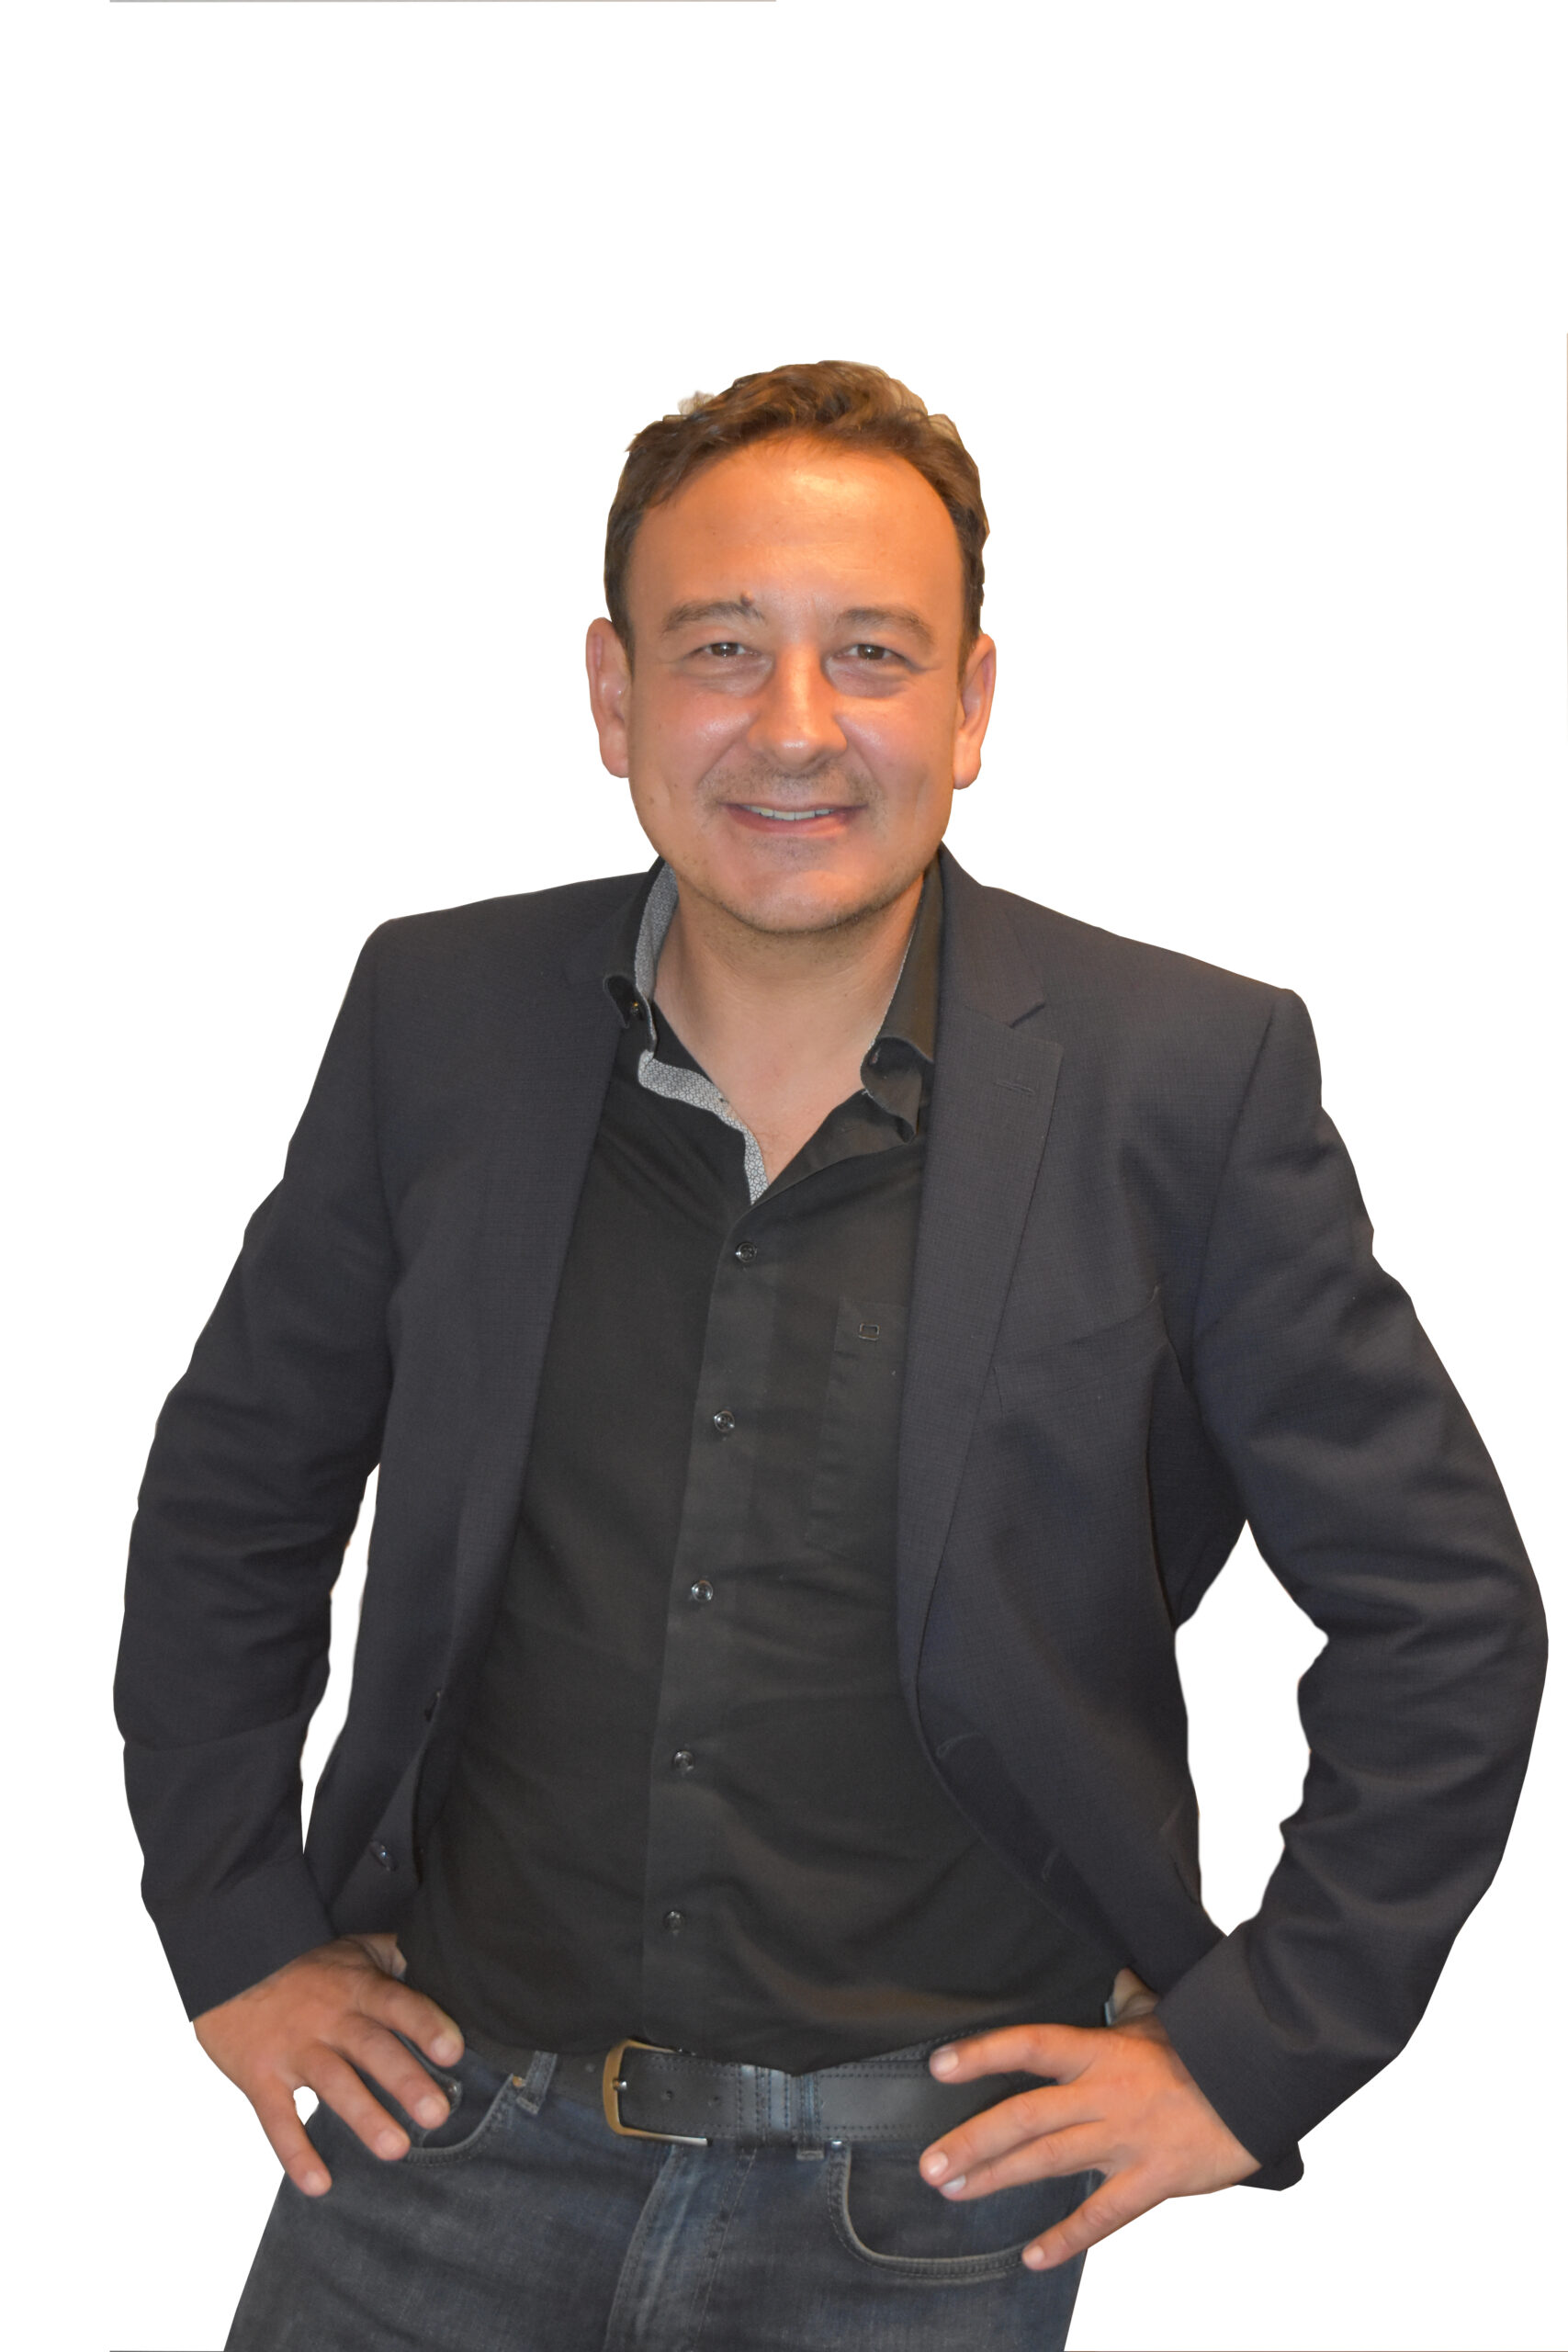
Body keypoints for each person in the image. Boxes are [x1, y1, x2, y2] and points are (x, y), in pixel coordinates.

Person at [117, 361, 1545, 2352]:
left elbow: (1444, 1615)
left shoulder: (1183, 1079)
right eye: (722, 648)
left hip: (925, 2214)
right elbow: (234, 1498)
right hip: (442, 2150)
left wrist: (1258, 2049)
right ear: (613, 694)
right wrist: (237, 1930)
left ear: (968, 705)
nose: (794, 725)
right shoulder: (436, 1018)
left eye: (871, 652)